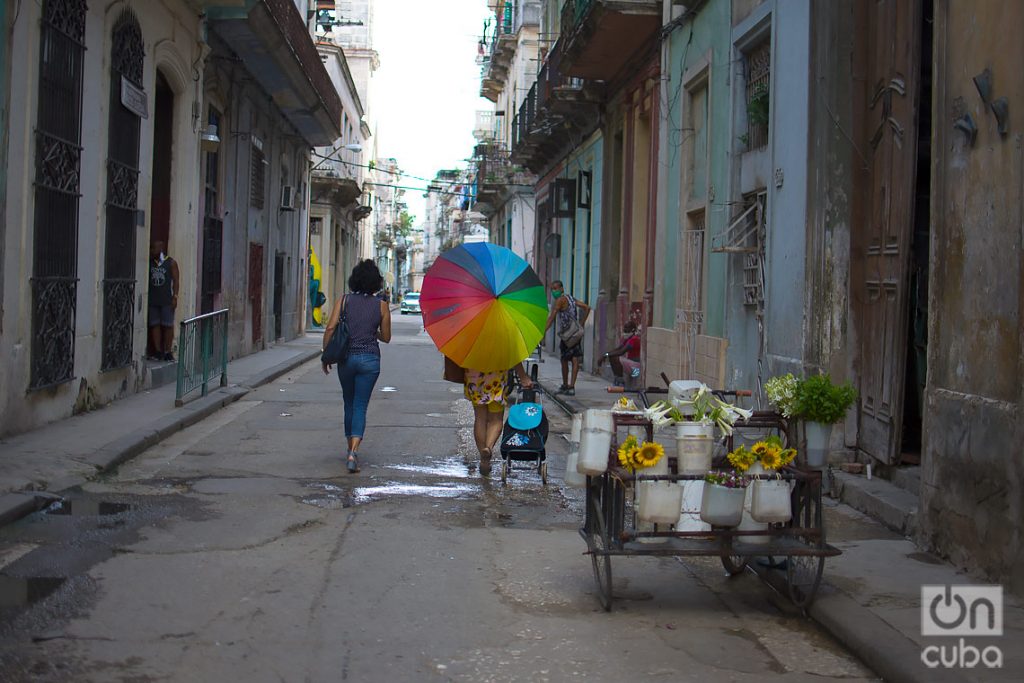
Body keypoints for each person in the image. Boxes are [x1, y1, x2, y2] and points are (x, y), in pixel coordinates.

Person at [322, 260, 392, 473]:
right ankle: (353, 452)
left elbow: (331, 327)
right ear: (376, 282)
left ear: (354, 279)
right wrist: (373, 332)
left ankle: (349, 447)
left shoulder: (343, 301)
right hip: (370, 360)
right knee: (361, 405)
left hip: (347, 359)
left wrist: (326, 356)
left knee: (349, 403)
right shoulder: (381, 306)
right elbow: (386, 337)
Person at [463, 363, 533, 476]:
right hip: (496, 374)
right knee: (496, 420)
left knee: (480, 418)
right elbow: (513, 353)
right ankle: (488, 448)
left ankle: (483, 458)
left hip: (474, 373)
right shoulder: (502, 343)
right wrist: (522, 376)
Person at [542, 280, 590, 396]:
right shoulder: (571, 298)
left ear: (562, 289)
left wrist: (542, 331)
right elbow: (587, 307)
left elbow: (552, 317)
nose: (554, 291)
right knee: (575, 360)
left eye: (556, 288)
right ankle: (571, 386)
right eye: (552, 289)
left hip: (567, 335)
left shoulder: (560, 301)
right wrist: (581, 324)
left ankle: (565, 385)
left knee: (564, 360)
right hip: (576, 333)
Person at [148, 240, 179, 361]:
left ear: (160, 248)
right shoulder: (150, 263)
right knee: (154, 324)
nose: (151, 251)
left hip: (167, 299)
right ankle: (157, 351)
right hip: (153, 298)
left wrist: (175, 296)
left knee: (167, 325)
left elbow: (176, 280)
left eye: (153, 248)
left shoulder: (171, 263)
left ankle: (167, 350)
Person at [597, 321, 641, 386]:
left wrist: (605, 356)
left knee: (614, 357)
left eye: (627, 328)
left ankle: (620, 381)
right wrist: (605, 354)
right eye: (624, 327)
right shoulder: (628, 339)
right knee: (612, 356)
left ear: (633, 329)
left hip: (636, 369)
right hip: (632, 366)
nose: (624, 330)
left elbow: (621, 352)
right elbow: (617, 349)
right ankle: (618, 379)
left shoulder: (634, 339)